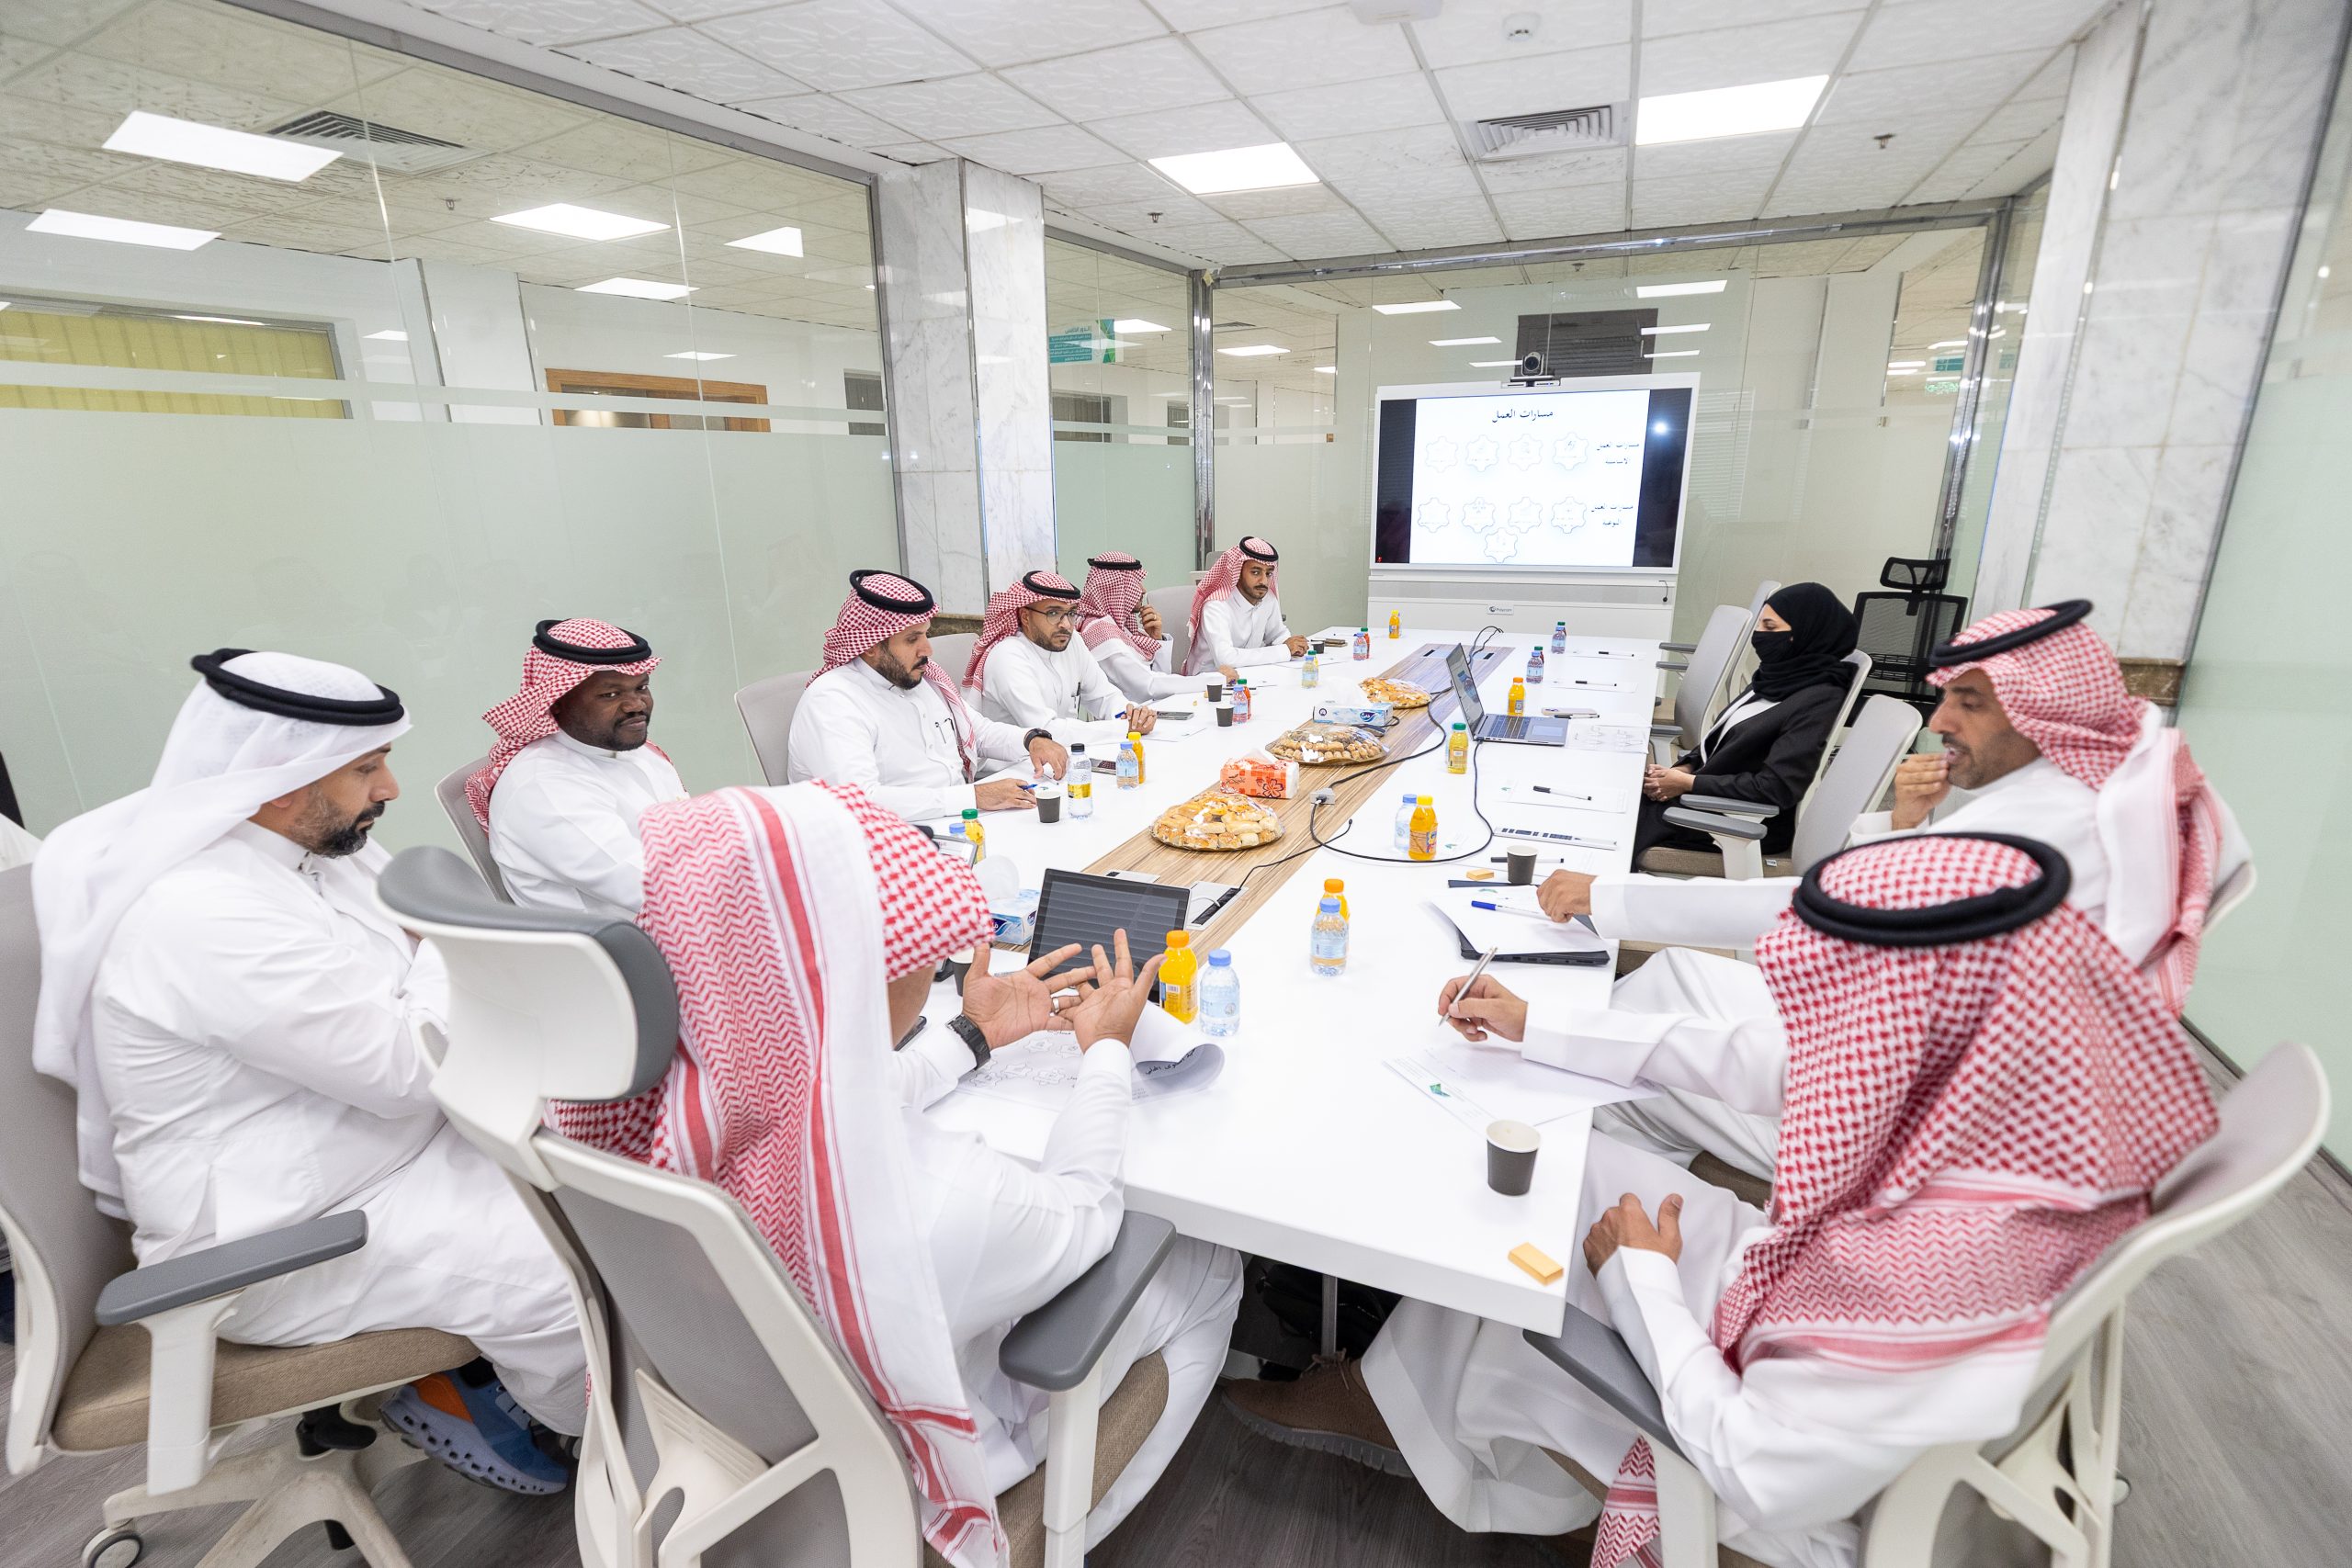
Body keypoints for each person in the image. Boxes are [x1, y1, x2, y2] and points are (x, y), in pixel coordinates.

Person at [1229, 832, 2219, 1568]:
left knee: (1515, 1257)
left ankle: (1396, 1409)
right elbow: (1755, 1062)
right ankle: (1396, 1377)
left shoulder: (1937, 1270)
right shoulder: (2002, 1079)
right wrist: (1539, 1025)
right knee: (1566, 1170)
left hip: (1767, 1434)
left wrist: (1643, 1285)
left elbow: (1759, 1464)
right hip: (1793, 1290)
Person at [552, 783, 1241, 1563]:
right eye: (923, 949)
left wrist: (971, 1034)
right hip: (891, 1503)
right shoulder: (938, 1193)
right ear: (857, 970)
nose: (933, 961)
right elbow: (1087, 1208)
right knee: (1211, 1264)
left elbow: (847, 1097)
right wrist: (1108, 1051)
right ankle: (1054, 1541)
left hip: (709, 1466)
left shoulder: (647, 1117)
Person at [32, 650, 585, 1494]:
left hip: (381, 1161)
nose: (389, 788)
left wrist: (434, 956)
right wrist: (442, 948)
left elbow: (429, 984)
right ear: (280, 780)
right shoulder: (201, 913)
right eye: (365, 768)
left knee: (615, 1184)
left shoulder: (319, 850)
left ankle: (504, 1386)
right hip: (286, 1239)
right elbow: (406, 1065)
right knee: (572, 1270)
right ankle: (613, 1454)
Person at [1528, 600, 2249, 1176]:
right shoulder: (2075, 794)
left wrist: (1565, 1000)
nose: (1941, 722)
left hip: (1881, 1131)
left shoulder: (2032, 853)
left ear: (2043, 714)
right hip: (1898, 1047)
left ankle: (1635, 1237)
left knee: (1594, 1082)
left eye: (1970, 703)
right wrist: (1905, 824)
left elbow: (1819, 921)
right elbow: (1880, 902)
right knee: (1675, 975)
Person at [788, 570, 1071, 823]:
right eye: (912, 639)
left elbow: (977, 731)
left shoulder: (920, 679)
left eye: (926, 635)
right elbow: (861, 802)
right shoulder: (833, 701)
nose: (927, 650)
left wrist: (1031, 740)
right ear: (871, 646)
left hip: (956, 819)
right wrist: (973, 797)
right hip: (889, 838)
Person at [470, 617, 685, 918]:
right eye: (610, 694)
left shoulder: (630, 750)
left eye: (641, 687)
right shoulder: (544, 789)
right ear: (556, 701)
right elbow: (662, 891)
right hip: (626, 942)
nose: (636, 705)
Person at [1630, 584, 1859, 860]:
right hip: (1706, 797)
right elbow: (1725, 735)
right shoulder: (1780, 674)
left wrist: (1689, 783)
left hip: (1739, 821)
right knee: (1621, 793)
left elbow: (1776, 788)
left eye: (1770, 627)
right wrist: (1685, 766)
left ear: (1804, 634)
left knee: (1620, 823)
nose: (1759, 635)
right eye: (1759, 624)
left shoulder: (1817, 699)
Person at [965, 568, 1155, 746]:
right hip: (1015, 764)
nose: (1066, 625)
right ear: (1025, 617)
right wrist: (1123, 728)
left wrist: (1132, 715)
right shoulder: (1007, 657)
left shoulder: (1072, 642)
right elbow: (1047, 731)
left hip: (1068, 754)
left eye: (1070, 613)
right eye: (1053, 613)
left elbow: (1105, 696)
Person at [1077, 551, 1228, 701]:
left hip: (1151, 708)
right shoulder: (1101, 633)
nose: (1143, 590)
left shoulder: (1120, 627)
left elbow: (1161, 677)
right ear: (1114, 588)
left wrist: (1157, 638)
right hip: (1128, 714)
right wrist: (1214, 679)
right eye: (1136, 583)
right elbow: (1149, 687)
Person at [1184, 536, 1307, 675]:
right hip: (1210, 679)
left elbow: (1277, 635)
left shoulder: (1268, 599)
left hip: (1252, 674)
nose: (1264, 581)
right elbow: (1226, 660)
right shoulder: (1216, 606)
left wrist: (1294, 645)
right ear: (1237, 572)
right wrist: (1284, 650)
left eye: (1268, 573)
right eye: (1255, 572)